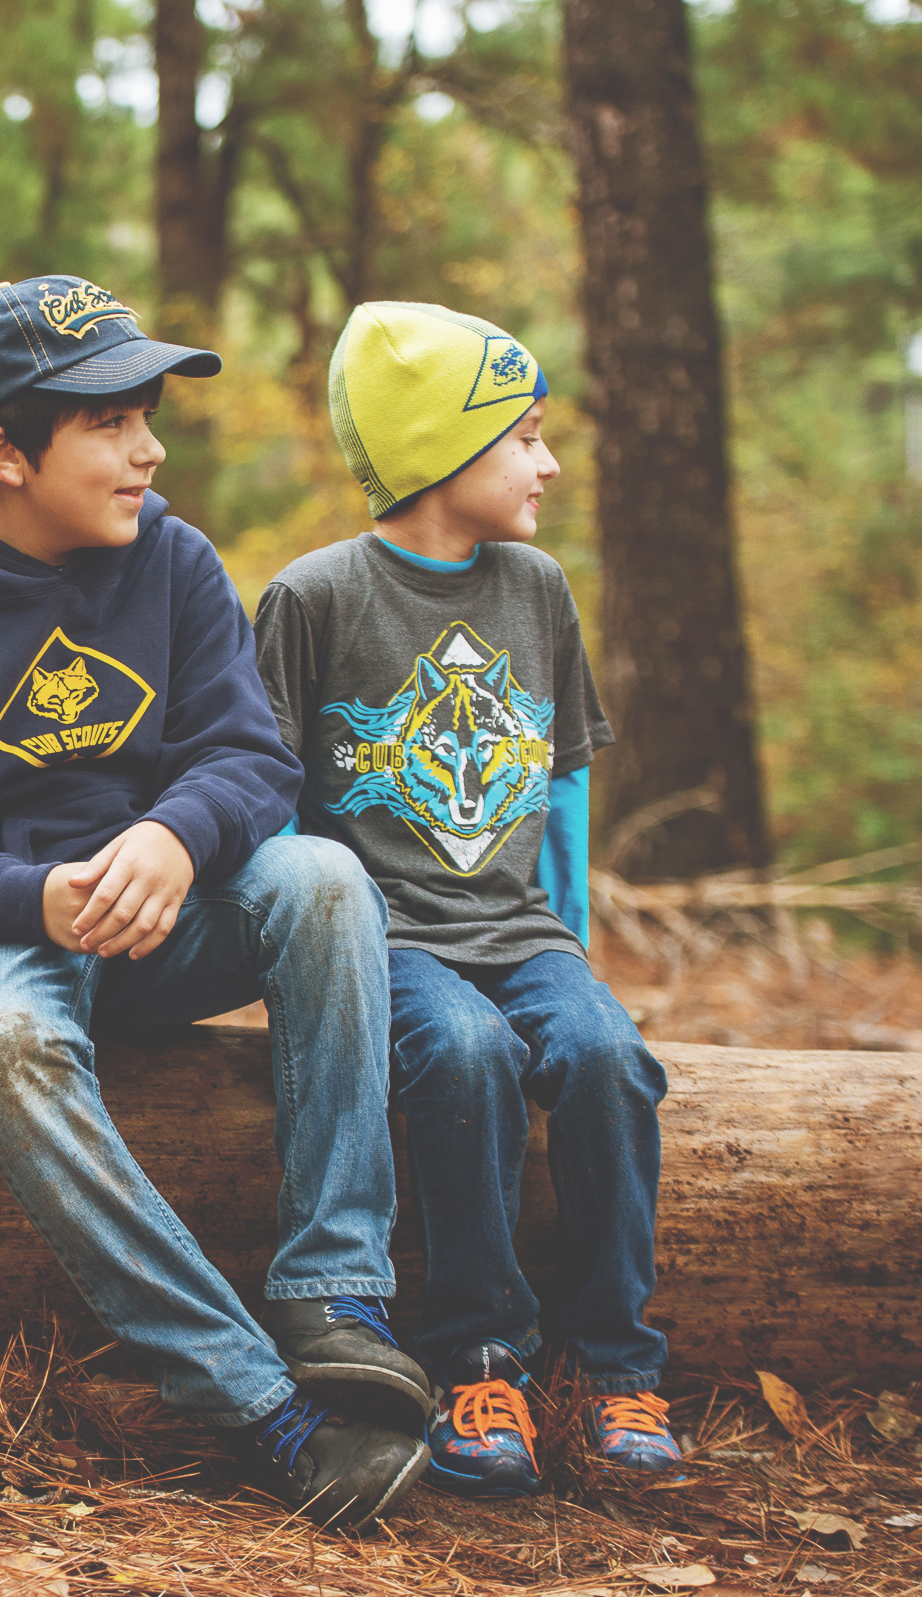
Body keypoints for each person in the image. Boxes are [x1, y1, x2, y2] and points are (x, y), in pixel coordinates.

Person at [0, 276, 429, 1530]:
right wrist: (32, 895)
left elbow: (255, 755)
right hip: (3, 932)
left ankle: (335, 1289)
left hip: (169, 915)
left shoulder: (173, 560)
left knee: (323, 876)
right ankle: (262, 1403)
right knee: (3, 1044)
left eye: (147, 416)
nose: (147, 449)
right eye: (109, 423)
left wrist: (172, 832)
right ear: (1, 448)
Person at [254, 301, 677, 1497]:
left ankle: (613, 1362)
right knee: (468, 1053)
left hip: (521, 929)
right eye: (526, 438)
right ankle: (482, 1360)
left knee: (607, 1057)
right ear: (443, 451)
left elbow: (564, 777)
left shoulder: (537, 588)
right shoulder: (316, 596)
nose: (548, 464)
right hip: (389, 941)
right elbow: (271, 803)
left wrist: (576, 950)